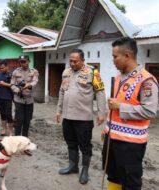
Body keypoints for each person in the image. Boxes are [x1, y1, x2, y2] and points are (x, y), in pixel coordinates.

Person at [102, 37, 158, 190]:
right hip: (112, 137)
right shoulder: (119, 78)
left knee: (130, 182)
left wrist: (120, 107)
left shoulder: (147, 80)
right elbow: (113, 109)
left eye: (115, 56)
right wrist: (107, 130)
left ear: (127, 55)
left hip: (130, 144)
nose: (113, 60)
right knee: (112, 175)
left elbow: (150, 111)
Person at [56, 48, 106, 184]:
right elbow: (62, 91)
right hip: (67, 116)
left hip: (83, 118)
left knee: (84, 145)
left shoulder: (92, 72)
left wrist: (102, 113)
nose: (72, 64)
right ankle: (73, 166)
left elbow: (100, 92)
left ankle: (85, 170)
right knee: (70, 142)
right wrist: (58, 110)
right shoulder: (66, 72)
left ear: (83, 60)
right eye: (70, 61)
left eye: (75, 61)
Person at [11, 55, 39, 137]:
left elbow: (35, 82)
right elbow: (12, 84)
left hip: (29, 99)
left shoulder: (34, 71)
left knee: (27, 120)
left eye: (24, 61)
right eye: (21, 62)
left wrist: (29, 85)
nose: (23, 63)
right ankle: (17, 138)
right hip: (18, 99)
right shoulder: (15, 72)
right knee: (19, 120)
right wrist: (17, 90)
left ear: (28, 61)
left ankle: (25, 138)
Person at [0, 60, 14, 136]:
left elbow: (13, 85)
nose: (1, 69)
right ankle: (4, 129)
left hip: (8, 97)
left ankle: (11, 131)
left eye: (2, 68)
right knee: (2, 114)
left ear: (7, 66)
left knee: (9, 114)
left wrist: (4, 84)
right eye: (0, 68)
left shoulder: (11, 75)